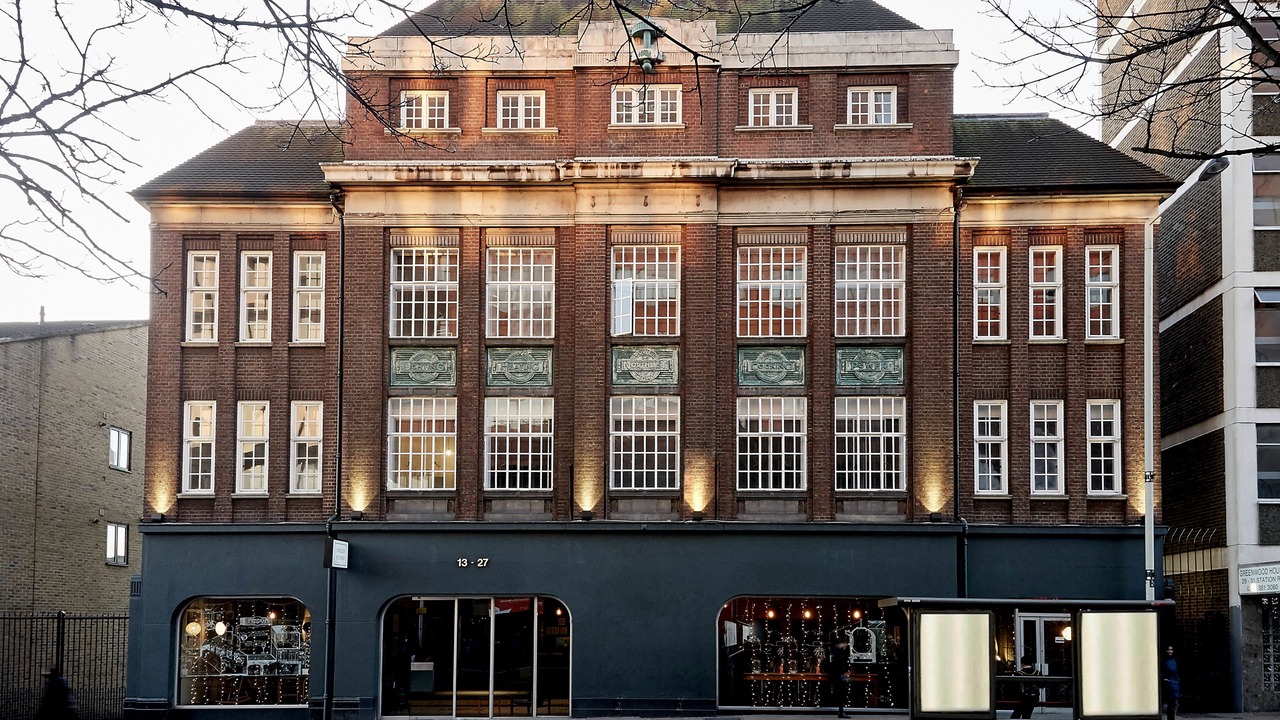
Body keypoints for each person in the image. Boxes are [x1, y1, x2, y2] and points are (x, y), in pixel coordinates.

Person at [829, 630, 851, 718]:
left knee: (840, 694)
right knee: (841, 694)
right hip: (837, 675)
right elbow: (838, 663)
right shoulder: (837, 652)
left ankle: (841, 711)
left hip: (836, 675)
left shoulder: (835, 651)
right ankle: (841, 712)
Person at [1161, 646, 1180, 720]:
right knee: (1165, 704)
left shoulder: (1175, 660)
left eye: (1171, 650)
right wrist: (1164, 679)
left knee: (1174, 704)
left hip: (1174, 684)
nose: (1170, 651)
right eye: (1168, 650)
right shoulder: (1163, 661)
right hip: (1166, 684)